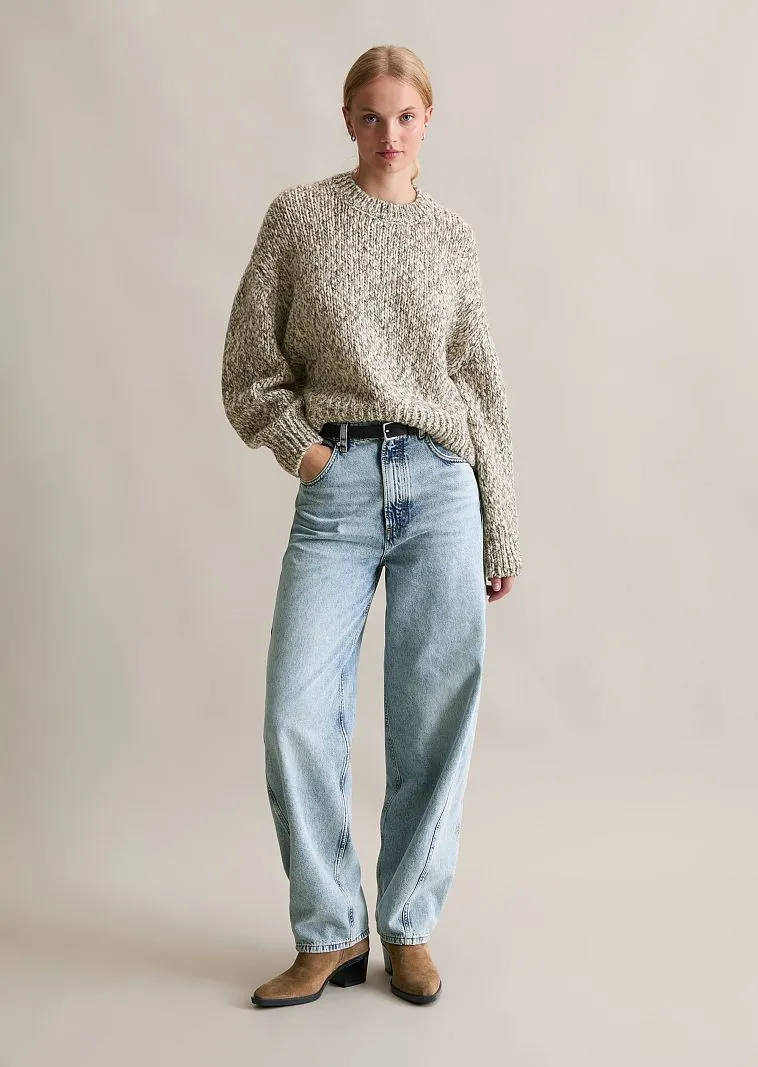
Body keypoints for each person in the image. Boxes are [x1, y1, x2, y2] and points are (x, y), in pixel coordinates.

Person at [221, 44, 522, 1008]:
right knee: (295, 712)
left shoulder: (450, 236)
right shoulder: (299, 219)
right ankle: (330, 930)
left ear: (429, 120)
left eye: (406, 116)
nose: (389, 135)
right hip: (340, 483)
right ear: (347, 121)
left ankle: (409, 927)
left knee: (434, 717)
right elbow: (248, 365)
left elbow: (478, 384)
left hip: (441, 486)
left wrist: (500, 523)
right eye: (370, 117)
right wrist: (305, 450)